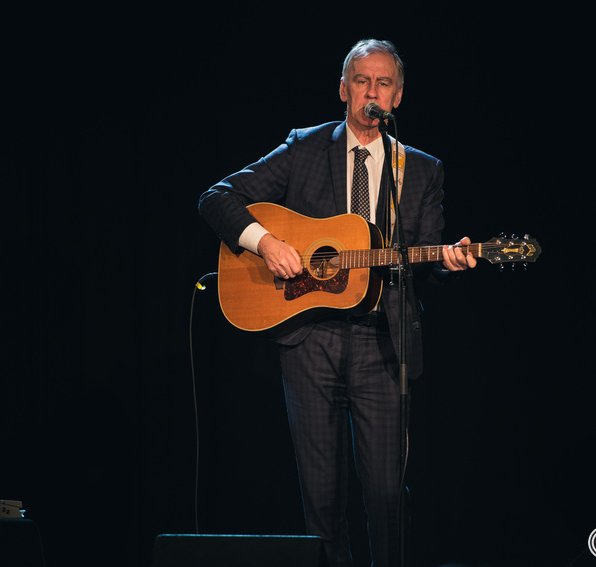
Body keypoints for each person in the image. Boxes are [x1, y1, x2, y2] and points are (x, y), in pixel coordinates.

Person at [199, 39, 476, 567]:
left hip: (382, 343)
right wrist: (267, 243)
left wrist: (448, 260)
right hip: (311, 342)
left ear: (397, 98)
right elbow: (217, 197)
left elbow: (427, 258)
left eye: (384, 84)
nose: (372, 92)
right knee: (321, 501)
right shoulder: (305, 148)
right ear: (343, 89)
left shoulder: (419, 169)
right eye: (363, 81)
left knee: (388, 497)